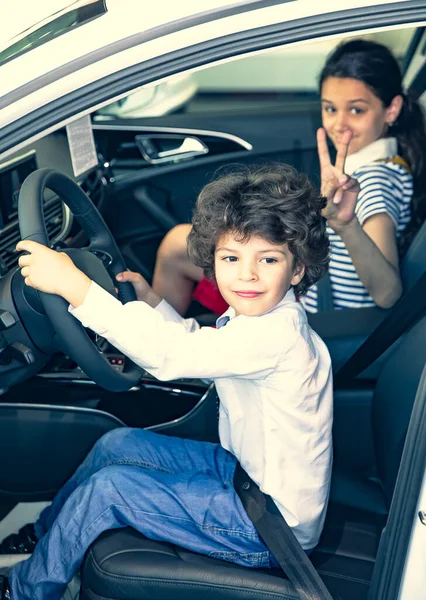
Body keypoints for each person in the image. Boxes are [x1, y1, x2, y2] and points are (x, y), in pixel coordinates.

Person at [2, 164, 332, 600]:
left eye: (267, 259)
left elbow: (171, 357)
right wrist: (153, 302)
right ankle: (46, 537)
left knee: (110, 490)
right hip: (246, 477)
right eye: (231, 258)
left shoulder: (275, 335)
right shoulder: (265, 319)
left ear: (296, 270)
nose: (247, 275)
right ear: (213, 261)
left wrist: (76, 288)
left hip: (270, 527)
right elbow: (199, 344)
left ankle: (23, 592)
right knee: (117, 445)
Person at [152, 39, 426, 315]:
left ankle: (151, 348)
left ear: (391, 109)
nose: (339, 123)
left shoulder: (376, 181)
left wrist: (346, 225)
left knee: (177, 247)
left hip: (318, 314)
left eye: (356, 110)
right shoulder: (379, 165)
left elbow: (388, 294)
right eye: (330, 108)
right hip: (310, 293)